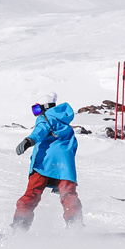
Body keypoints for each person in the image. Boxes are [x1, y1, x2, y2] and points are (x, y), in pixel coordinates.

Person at [12, 92, 83, 230]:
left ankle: (20, 225)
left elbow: (41, 129)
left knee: (32, 193)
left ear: (45, 107)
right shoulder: (66, 125)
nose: (36, 114)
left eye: (37, 109)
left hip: (44, 164)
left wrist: (29, 140)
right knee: (69, 195)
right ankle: (75, 223)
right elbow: (72, 148)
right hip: (65, 167)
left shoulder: (45, 117)